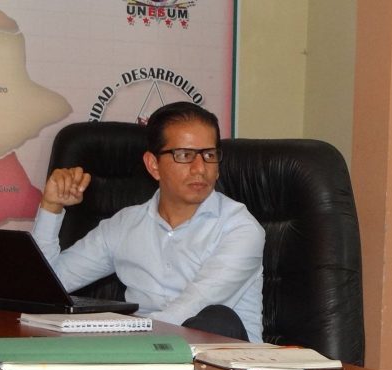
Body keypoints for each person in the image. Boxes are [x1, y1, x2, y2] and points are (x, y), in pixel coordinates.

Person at [32, 102, 265, 341]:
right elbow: (43, 288)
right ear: (153, 165)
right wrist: (51, 207)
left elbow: (191, 307)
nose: (200, 169)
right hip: (146, 359)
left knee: (216, 318)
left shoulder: (240, 229)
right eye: (184, 155)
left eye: (209, 155)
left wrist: (119, 342)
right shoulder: (125, 225)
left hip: (227, 364)